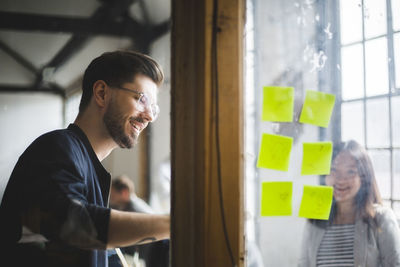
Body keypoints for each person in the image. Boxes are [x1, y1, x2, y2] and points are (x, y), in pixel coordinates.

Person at [0, 50, 170, 267]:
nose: (148, 116)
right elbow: (76, 226)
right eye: (141, 99)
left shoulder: (88, 166)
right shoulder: (57, 148)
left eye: (153, 109)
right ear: (101, 93)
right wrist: (174, 224)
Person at [298, 140, 400, 267]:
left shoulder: (381, 219)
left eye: (350, 172)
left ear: (364, 177)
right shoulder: (315, 221)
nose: (341, 179)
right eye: (333, 170)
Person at [108, 175, 169, 267]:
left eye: (112, 196)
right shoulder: (126, 206)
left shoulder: (134, 209)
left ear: (124, 193)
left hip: (156, 250)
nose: (111, 200)